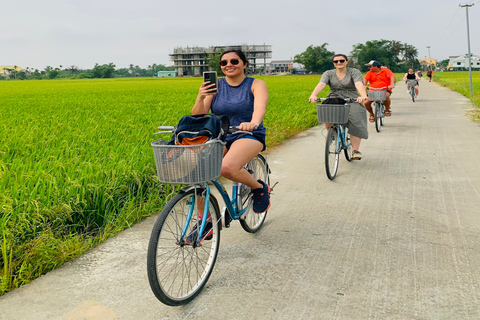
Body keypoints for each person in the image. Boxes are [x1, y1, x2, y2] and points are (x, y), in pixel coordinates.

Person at [192, 49, 270, 214]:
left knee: (226, 168)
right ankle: (205, 221)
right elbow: (199, 116)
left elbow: (260, 107)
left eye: (234, 61)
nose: (229, 65)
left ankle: (258, 188)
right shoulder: (215, 85)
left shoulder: (256, 84)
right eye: (224, 62)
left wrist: (253, 122)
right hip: (220, 135)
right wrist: (200, 97)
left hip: (248, 134)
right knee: (195, 174)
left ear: (244, 64)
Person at [308, 54, 369, 160]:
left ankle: (355, 150)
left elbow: (359, 84)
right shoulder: (328, 73)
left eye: (341, 60)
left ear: (346, 61)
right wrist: (314, 94)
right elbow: (321, 84)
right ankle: (332, 133)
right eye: (336, 61)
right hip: (334, 97)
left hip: (352, 98)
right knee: (327, 113)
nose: (339, 63)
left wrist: (363, 95)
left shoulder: (354, 72)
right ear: (333, 63)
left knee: (356, 120)